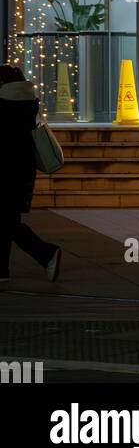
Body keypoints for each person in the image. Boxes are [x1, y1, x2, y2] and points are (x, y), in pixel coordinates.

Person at [0, 63, 61, 284]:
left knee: (7, 223)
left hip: (4, 174)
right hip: (23, 171)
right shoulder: (29, 104)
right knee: (8, 220)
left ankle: (45, 253)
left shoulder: (3, 107)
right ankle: (2, 271)